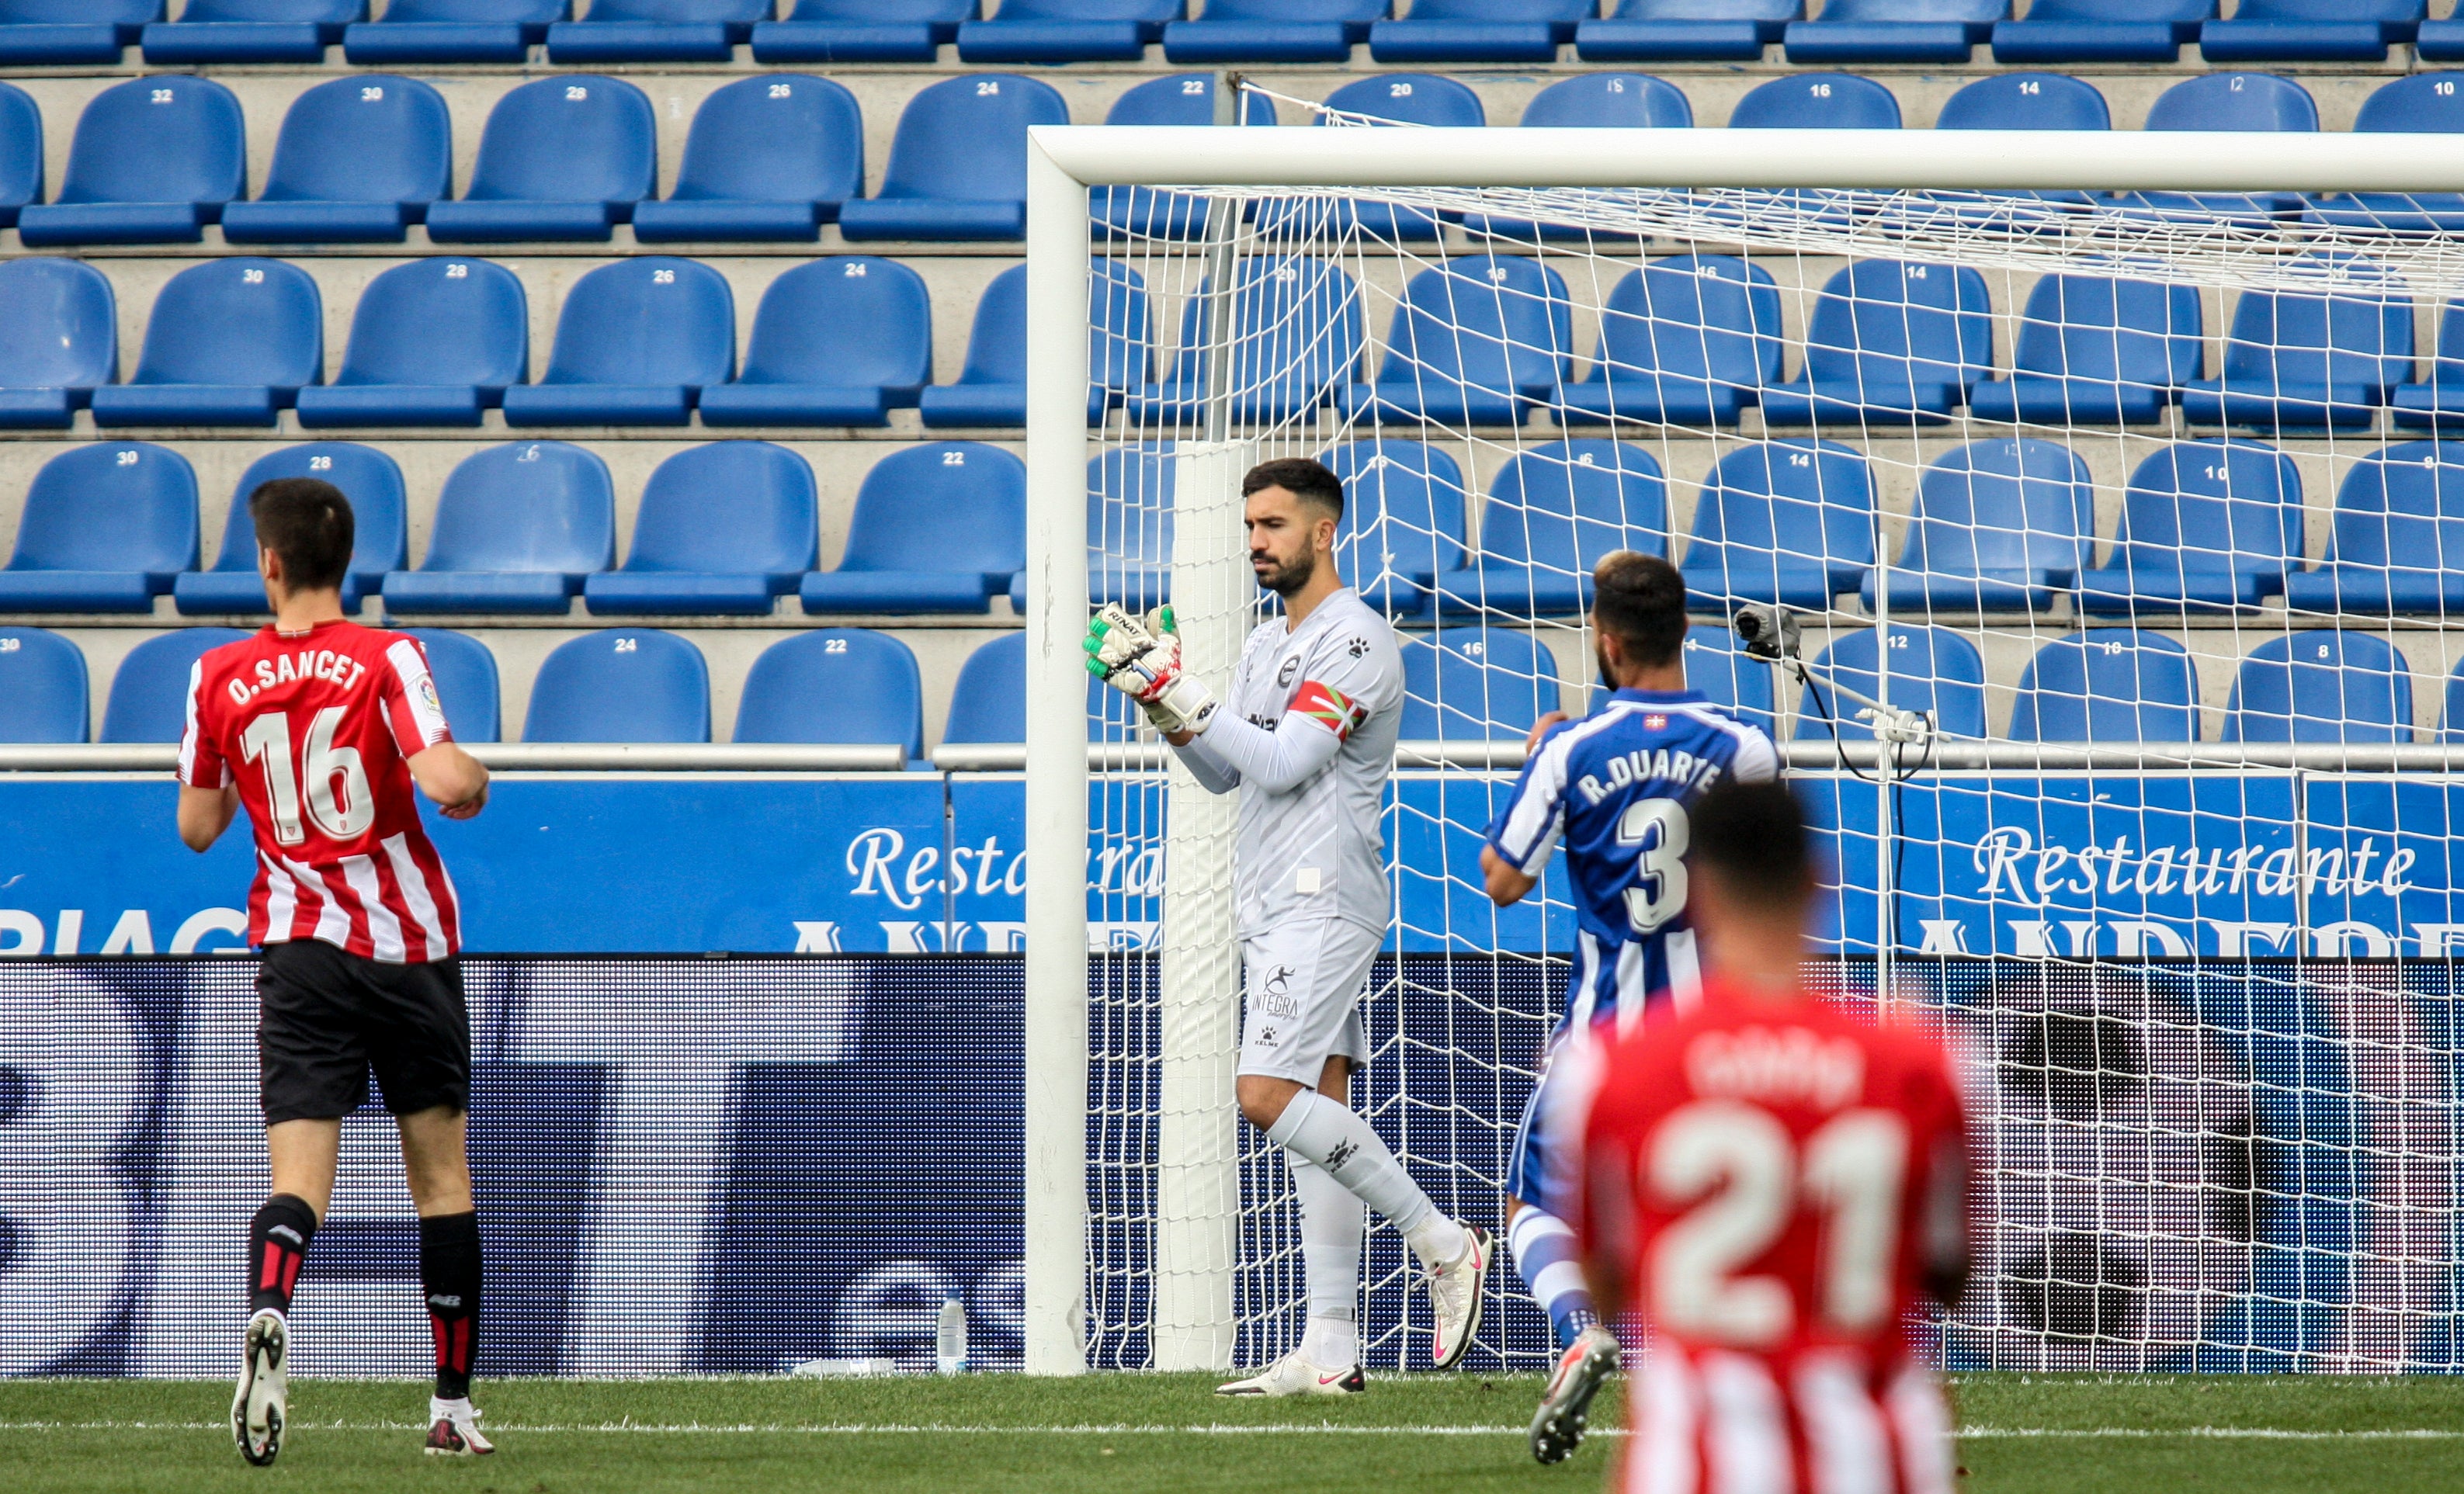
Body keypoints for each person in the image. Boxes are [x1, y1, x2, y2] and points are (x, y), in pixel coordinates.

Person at [1087, 456, 1492, 1396]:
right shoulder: (1269, 641)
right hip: (1269, 900)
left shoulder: (1356, 641)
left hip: (1327, 898)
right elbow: (1226, 773)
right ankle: (1331, 1347)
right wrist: (1165, 703)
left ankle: (1442, 1241)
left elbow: (1282, 762)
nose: (1257, 543)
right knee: (1321, 1114)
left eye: (1272, 524)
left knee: (1265, 1093)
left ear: (1323, 530)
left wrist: (1183, 694)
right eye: (1250, 527)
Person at [175, 478, 495, 1464]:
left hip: (300, 949)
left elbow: (196, 826)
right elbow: (445, 779)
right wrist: (475, 783)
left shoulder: (217, 672)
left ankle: (272, 1307)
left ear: (266, 562)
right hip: (404, 947)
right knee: (440, 1178)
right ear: (344, 561)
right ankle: (449, 1408)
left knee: (298, 1179)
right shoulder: (385, 654)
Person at [1575, 778, 1973, 1494]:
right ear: (1820, 879)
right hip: (1874, 1461)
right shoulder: (1923, 1060)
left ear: (1698, 890)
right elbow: (1947, 1275)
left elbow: (1608, 1281)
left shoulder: (1615, 1067)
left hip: (1690, 1463)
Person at [1480, 550, 1781, 1463]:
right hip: (1713, 1036)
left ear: (1605, 642)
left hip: (1608, 1037)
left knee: (1534, 1204)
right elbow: (1767, 883)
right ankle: (1742, 1389)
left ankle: (1578, 1324)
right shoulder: (1745, 745)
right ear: (1686, 632)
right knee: (1725, 1209)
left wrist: (1541, 764)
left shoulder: (1572, 748)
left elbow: (1502, 879)